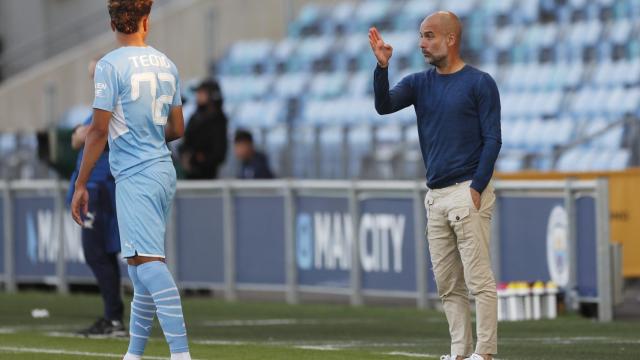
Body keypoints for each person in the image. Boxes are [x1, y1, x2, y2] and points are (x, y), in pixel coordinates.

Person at [369, 11, 501, 360]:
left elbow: (493, 140)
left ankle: (484, 354)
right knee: (447, 285)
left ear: (450, 39)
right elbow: (383, 106)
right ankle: (460, 353)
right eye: (421, 36)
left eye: (429, 36)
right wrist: (381, 69)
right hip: (436, 195)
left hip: (467, 190)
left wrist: (477, 187)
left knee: (478, 281)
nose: (421, 43)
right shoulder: (418, 83)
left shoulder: (480, 82)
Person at [70, 1, 191, 359]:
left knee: (150, 265)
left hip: (135, 174)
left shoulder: (109, 65)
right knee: (139, 267)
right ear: (146, 22)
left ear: (112, 24)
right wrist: (148, 135)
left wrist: (80, 183)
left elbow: (98, 131)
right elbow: (178, 127)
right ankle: (133, 355)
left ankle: (181, 355)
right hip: (161, 169)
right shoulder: (167, 64)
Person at [67, 58, 125, 337]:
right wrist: (81, 134)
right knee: (101, 253)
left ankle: (114, 319)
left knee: (97, 253)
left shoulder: (114, 103)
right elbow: (76, 138)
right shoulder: (103, 104)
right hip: (96, 186)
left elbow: (89, 134)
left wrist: (82, 133)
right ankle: (113, 317)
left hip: (99, 188)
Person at [179, 78, 228, 179]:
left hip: (208, 175)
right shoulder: (195, 117)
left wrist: (200, 158)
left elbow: (219, 153)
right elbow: (186, 141)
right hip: (189, 172)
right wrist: (186, 155)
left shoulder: (218, 120)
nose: (198, 96)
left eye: (202, 93)